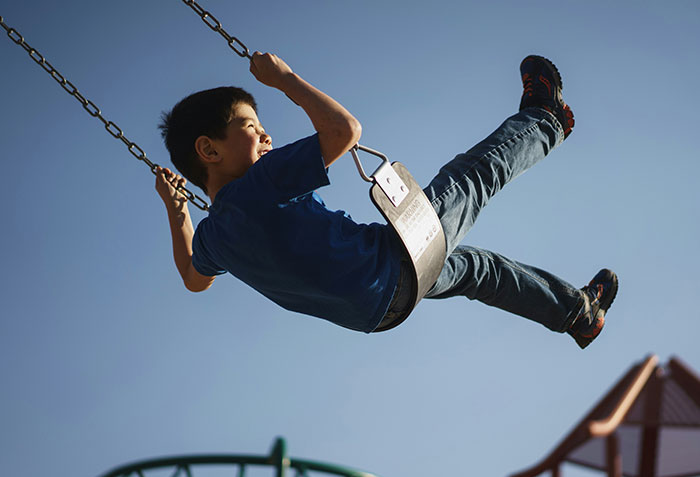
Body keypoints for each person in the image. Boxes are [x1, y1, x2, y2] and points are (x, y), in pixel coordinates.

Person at [155, 52, 617, 349]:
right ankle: (546, 120)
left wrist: (178, 214)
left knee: (481, 271)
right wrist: (285, 79)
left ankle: (578, 313)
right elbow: (343, 132)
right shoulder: (259, 185)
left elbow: (194, 278)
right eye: (250, 126)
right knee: (469, 180)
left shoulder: (214, 235)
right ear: (209, 150)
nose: (265, 133)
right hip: (389, 265)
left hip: (378, 310)